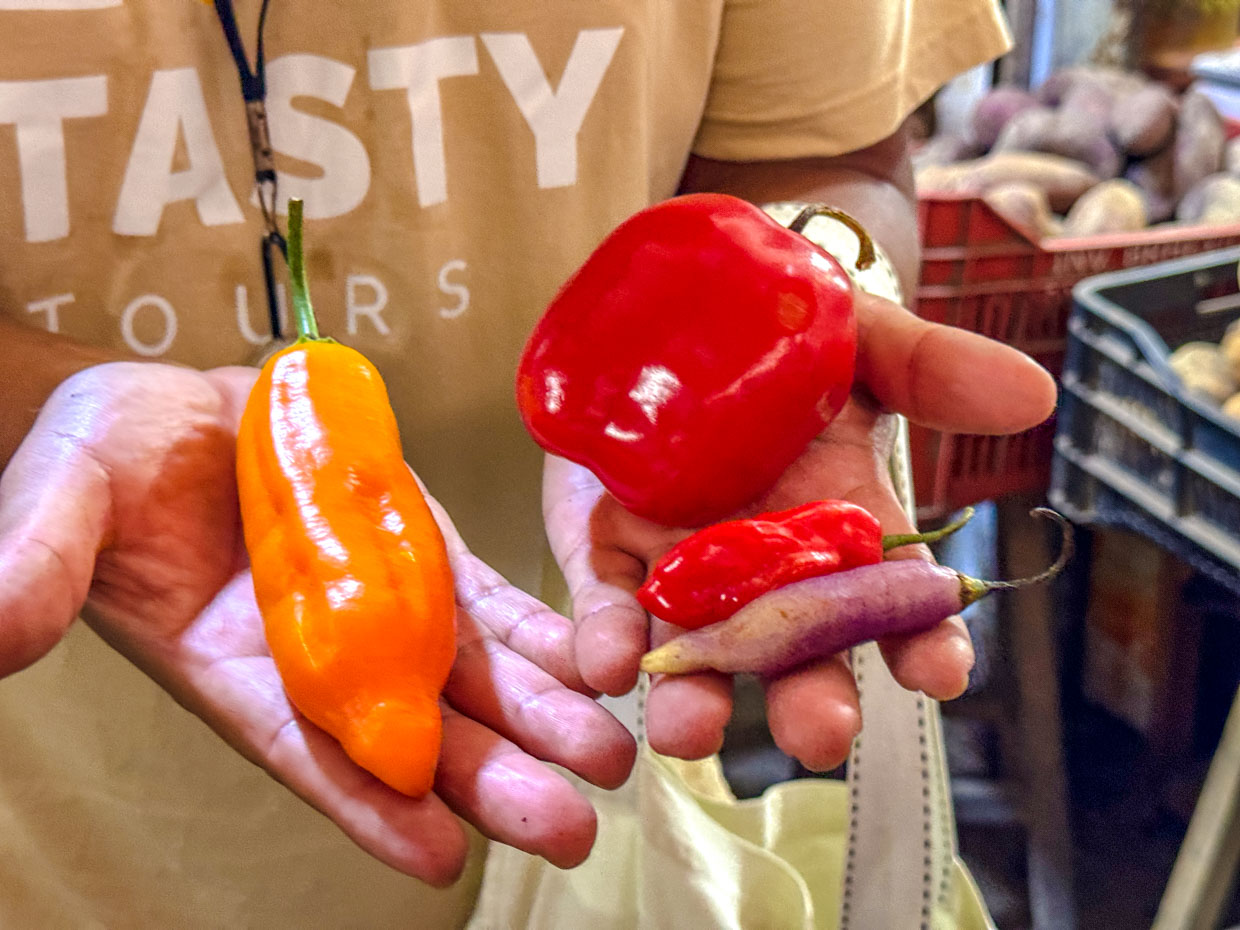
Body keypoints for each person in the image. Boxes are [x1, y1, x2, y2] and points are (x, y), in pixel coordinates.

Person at [0, 0, 1056, 926]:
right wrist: (41, 404)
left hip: (591, 724)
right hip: (57, 823)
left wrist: (811, 286)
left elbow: (828, 157)